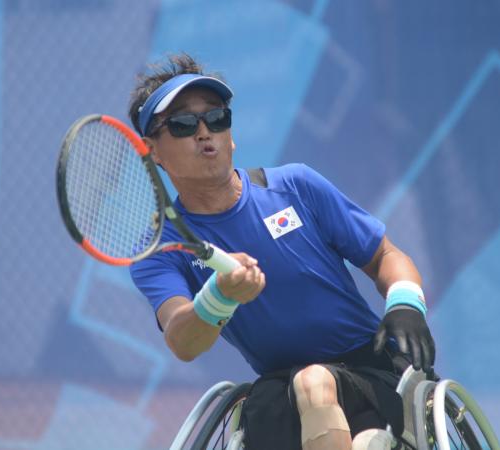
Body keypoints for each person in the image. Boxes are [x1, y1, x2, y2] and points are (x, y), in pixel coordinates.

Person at [128, 54, 436, 450]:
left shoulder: (296, 187)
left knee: (315, 381)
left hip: (372, 372)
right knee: (304, 387)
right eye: (184, 124)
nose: (205, 133)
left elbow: (386, 257)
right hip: (279, 390)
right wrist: (220, 297)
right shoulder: (161, 247)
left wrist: (405, 304)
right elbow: (183, 340)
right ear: (153, 150)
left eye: (217, 118)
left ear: (231, 135)